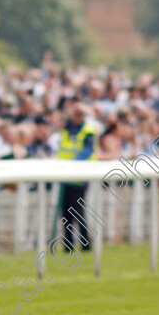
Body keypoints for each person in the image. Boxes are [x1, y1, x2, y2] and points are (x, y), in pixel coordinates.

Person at [56, 101, 98, 251]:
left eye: (81, 114)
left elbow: (88, 150)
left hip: (79, 176)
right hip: (66, 175)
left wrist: (73, 164)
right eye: (76, 114)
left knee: (78, 211)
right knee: (65, 212)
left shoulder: (88, 130)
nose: (78, 117)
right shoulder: (66, 130)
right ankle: (68, 244)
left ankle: (85, 242)